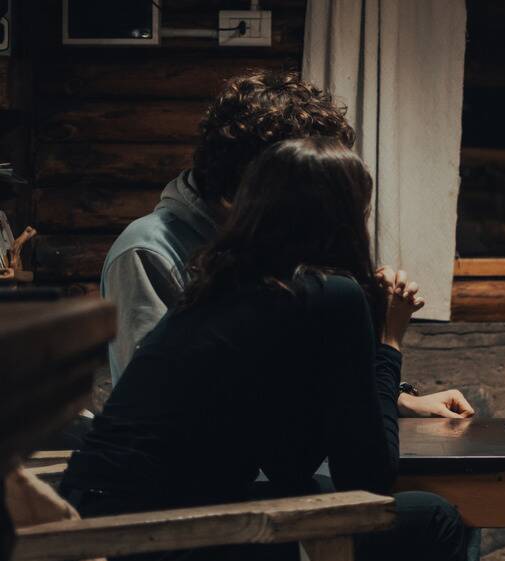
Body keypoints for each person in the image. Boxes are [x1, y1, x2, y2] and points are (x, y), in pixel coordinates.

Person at [60, 137, 470, 561]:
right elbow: (368, 477)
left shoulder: (215, 288)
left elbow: (288, 464)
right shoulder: (328, 295)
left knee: (363, 504)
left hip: (99, 559)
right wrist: (388, 339)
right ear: (346, 218)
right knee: (431, 521)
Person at [101, 70, 473, 419]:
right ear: (263, 181)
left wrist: (394, 397)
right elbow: (158, 407)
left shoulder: (268, 240)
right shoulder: (147, 252)